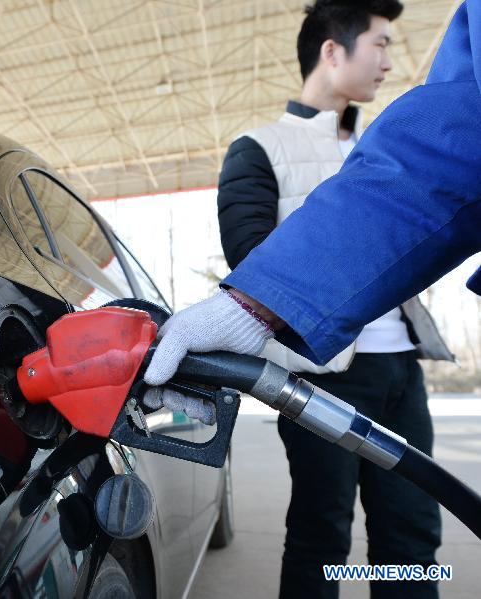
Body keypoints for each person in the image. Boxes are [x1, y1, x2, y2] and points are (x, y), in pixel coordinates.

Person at [146, 0, 480, 592]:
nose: (387, 62)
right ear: (333, 50)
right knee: (322, 530)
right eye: (379, 44)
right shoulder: (260, 146)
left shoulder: (392, 136)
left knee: (410, 533)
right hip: (318, 375)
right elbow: (252, 255)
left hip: (400, 373)